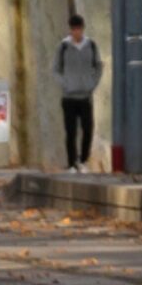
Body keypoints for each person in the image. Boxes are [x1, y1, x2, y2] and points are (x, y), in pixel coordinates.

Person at [54, 14, 102, 171]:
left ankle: (83, 159)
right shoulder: (63, 46)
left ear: (83, 29)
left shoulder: (91, 45)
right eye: (74, 29)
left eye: (79, 29)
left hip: (85, 96)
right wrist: (65, 84)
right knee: (71, 131)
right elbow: (56, 69)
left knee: (88, 129)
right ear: (70, 30)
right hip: (68, 97)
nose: (77, 32)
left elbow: (98, 66)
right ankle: (71, 163)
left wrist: (92, 84)